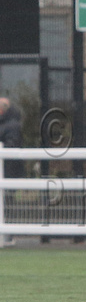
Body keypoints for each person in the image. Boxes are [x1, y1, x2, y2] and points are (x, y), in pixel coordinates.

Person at [0, 97, 24, 246]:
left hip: (8, 172)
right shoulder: (8, 124)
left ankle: (7, 235)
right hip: (7, 171)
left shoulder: (12, 125)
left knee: (7, 202)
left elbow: (11, 145)